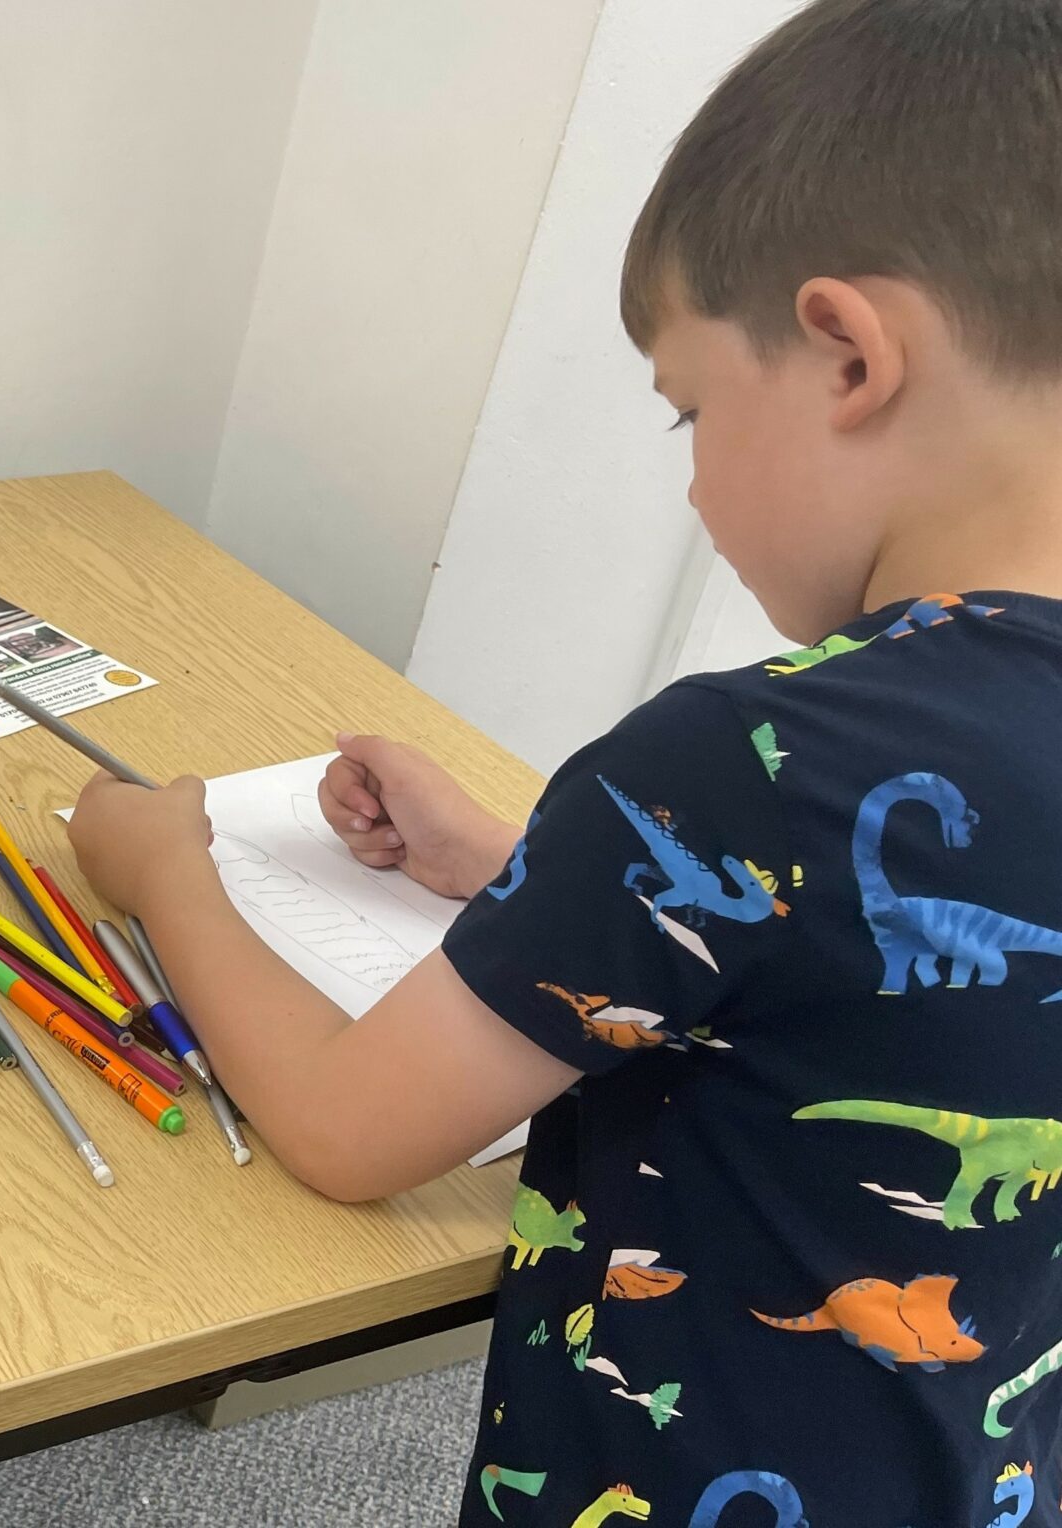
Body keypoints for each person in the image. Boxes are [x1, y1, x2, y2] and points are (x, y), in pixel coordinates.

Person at [69, 1, 1062, 1519]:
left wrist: (165, 870)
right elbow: (868, 977)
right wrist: (515, 860)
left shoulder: (752, 757)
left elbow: (349, 1128)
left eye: (690, 407)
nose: (693, 479)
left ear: (847, 355)